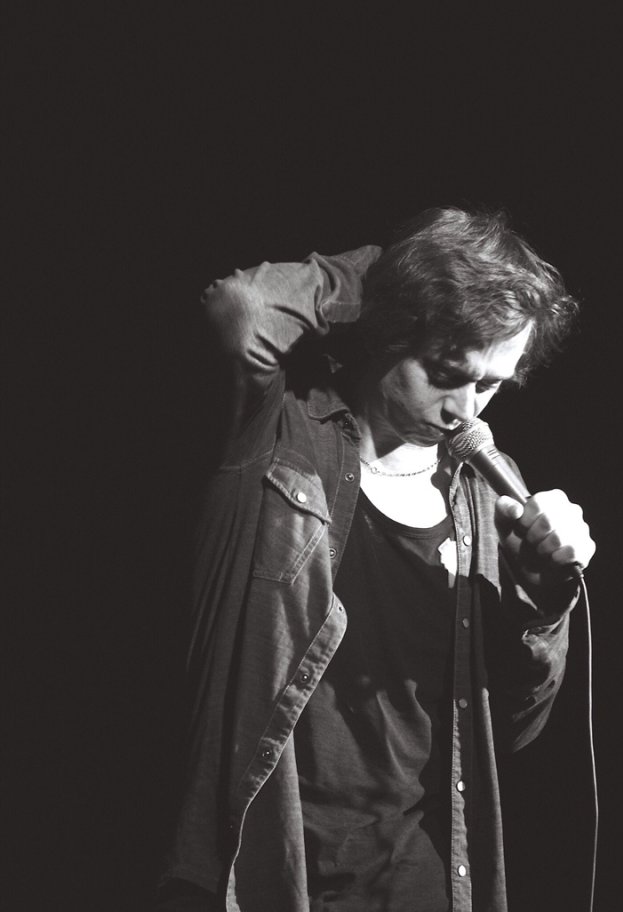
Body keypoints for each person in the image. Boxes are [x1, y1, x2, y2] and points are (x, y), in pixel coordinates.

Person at [156, 207, 595, 912]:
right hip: (265, 868)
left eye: (489, 386)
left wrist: (542, 606)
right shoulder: (281, 432)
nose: (466, 410)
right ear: (391, 330)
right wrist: (393, 276)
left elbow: (512, 728)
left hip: (416, 878)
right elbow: (244, 311)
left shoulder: (488, 494)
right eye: (446, 372)